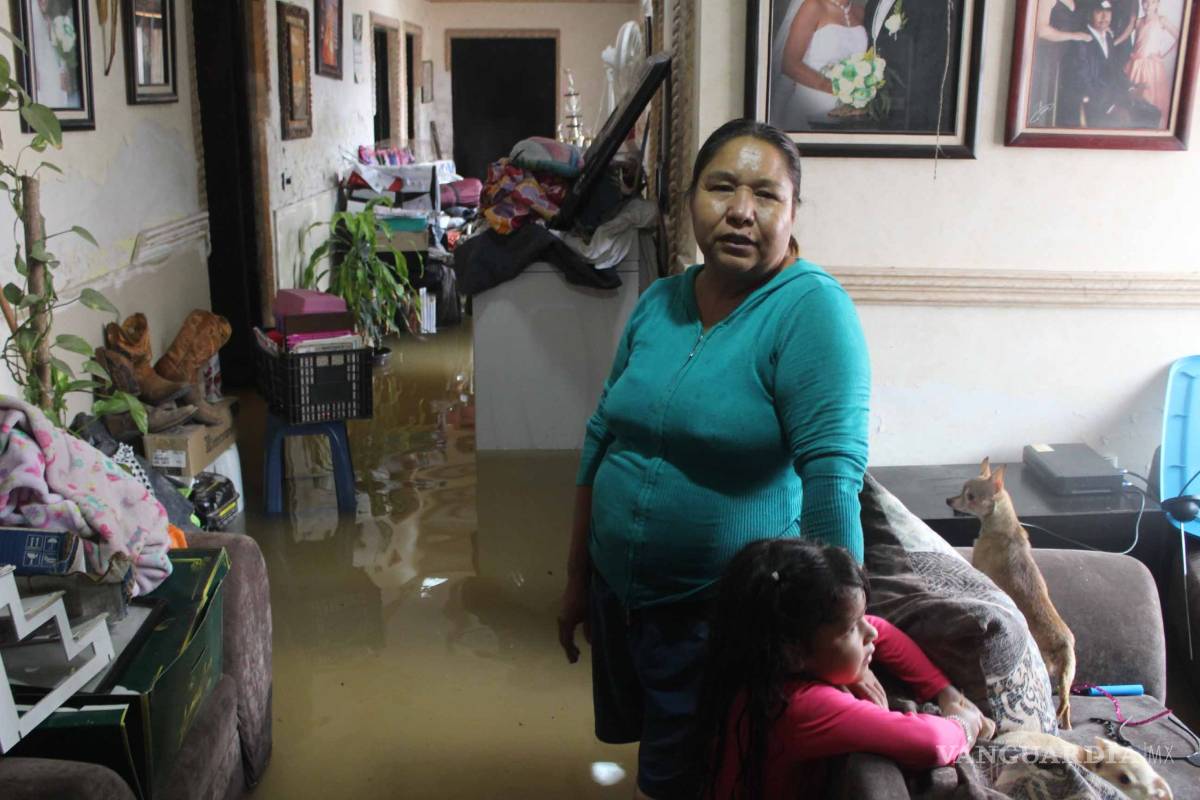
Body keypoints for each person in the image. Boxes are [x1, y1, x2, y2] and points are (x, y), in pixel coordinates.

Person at [557, 118, 871, 800]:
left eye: (765, 195)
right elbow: (600, 437)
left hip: (718, 620)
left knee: (698, 778)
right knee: (661, 754)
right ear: (690, 198)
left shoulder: (810, 312)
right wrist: (578, 578)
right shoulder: (661, 302)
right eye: (721, 186)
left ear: (792, 213)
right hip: (624, 599)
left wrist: (843, 637)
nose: (740, 210)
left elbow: (832, 485)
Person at [695, 538, 995, 799]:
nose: (871, 632)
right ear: (793, 653)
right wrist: (964, 722)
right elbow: (931, 743)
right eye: (853, 627)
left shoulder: (759, 663)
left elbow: (881, 629)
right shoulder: (800, 707)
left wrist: (944, 691)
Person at [769, 0, 869, 130]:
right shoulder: (813, 6)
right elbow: (789, 64)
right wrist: (837, 89)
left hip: (848, 114)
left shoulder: (860, 11)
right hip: (811, 107)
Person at [1060, 0, 1161, 127]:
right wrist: (1111, 108)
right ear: (1089, 14)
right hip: (1098, 105)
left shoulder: (1107, 36)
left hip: (1115, 97)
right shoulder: (1082, 41)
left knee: (1153, 113)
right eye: (1098, 12)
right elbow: (1083, 82)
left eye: (1108, 12)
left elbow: (1115, 69)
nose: (1104, 17)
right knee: (1139, 122)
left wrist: (1131, 89)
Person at [863, 0, 958, 131]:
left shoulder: (931, 4)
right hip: (878, 116)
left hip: (911, 119)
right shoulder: (872, 4)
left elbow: (929, 70)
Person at [1028, 0, 1093, 127]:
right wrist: (1075, 36)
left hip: (1069, 62)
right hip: (1050, 61)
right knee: (1047, 105)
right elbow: (1041, 31)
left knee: (1069, 109)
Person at [1124, 0, 1180, 126]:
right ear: (1141, 4)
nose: (1148, 6)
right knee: (1136, 96)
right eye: (1145, 3)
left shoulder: (1161, 20)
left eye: (1152, 3)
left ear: (1157, 4)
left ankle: (1152, 124)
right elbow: (1136, 44)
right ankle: (1136, 123)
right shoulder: (1138, 21)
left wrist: (1164, 56)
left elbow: (1180, 37)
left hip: (1152, 66)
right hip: (1136, 65)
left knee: (1151, 96)